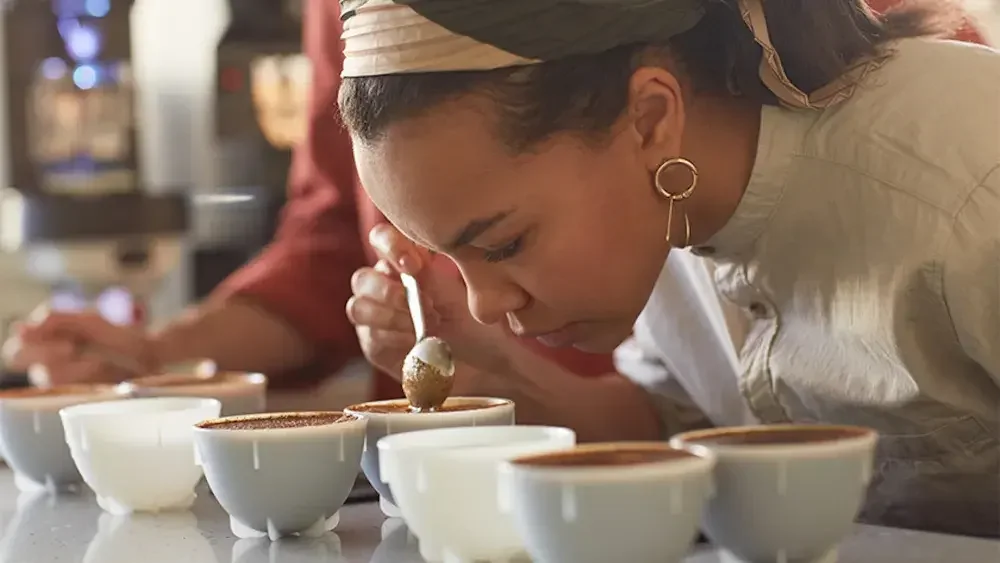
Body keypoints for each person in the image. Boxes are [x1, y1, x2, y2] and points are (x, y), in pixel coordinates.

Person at [337, 0, 999, 539]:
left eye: (505, 244)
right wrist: (495, 369)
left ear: (651, 116)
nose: (484, 304)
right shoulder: (663, 208)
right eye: (454, 257)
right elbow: (670, 425)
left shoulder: (969, 188)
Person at [1, 0, 614, 401]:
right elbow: (328, 250)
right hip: (432, 458)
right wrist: (158, 357)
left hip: (637, 433)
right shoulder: (338, 8)